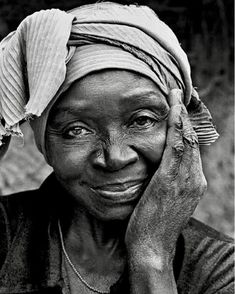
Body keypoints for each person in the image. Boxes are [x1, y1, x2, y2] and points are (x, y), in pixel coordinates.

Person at [0, 2, 233, 294]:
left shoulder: (222, 270)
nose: (114, 157)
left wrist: (151, 258)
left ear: (180, 126)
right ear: (45, 141)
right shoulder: (7, 234)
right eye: (77, 130)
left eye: (142, 120)